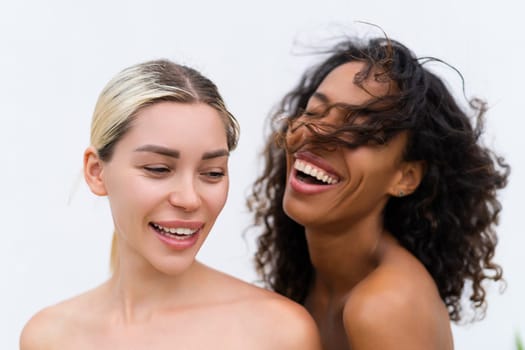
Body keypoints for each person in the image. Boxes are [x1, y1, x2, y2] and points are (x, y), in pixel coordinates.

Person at [20, 59, 321, 350]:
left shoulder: (277, 333)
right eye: (158, 169)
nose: (189, 199)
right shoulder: (49, 337)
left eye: (212, 173)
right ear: (96, 172)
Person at [248, 35, 510, 350]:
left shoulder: (383, 307)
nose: (316, 133)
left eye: (359, 129)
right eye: (315, 111)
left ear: (405, 177)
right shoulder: (309, 278)